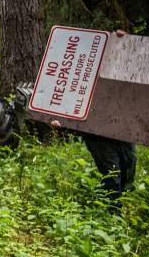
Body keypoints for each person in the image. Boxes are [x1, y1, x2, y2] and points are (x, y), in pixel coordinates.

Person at [49, 29, 137, 207]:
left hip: (121, 126)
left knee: (130, 163)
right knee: (112, 173)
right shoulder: (77, 72)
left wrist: (123, 42)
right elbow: (64, 95)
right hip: (96, 132)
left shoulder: (115, 65)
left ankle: (116, 198)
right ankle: (114, 214)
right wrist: (60, 121)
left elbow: (132, 62)